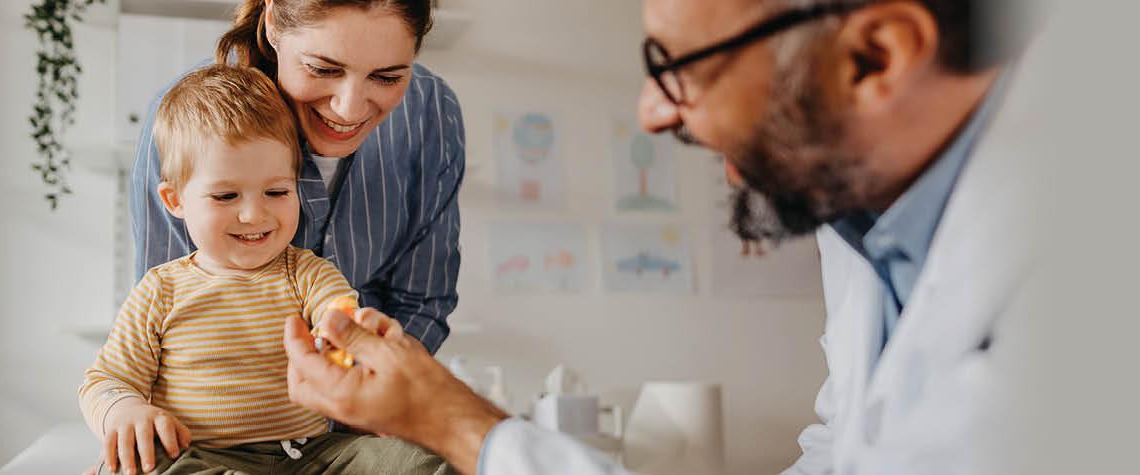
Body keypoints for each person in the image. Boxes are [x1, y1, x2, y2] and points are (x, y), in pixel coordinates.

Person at [283, 0, 1042, 473]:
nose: (651, 112)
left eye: (677, 65)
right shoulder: (863, 225)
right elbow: (840, 449)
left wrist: (457, 421)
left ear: (875, 56)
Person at [81, 65, 452, 475]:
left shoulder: (307, 273)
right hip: (202, 455)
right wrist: (124, 410)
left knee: (420, 461)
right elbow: (106, 379)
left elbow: (339, 313)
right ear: (175, 201)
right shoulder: (160, 290)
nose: (254, 214)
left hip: (313, 456)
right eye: (225, 195)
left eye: (277, 192)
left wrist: (347, 340)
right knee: (135, 466)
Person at [130, 0, 464, 356]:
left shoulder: (430, 111)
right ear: (272, 23)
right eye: (322, 69)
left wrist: (363, 391)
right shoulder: (187, 124)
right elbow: (168, 320)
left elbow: (421, 303)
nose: (349, 109)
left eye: (386, 77)